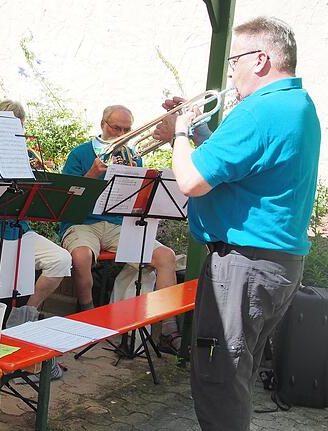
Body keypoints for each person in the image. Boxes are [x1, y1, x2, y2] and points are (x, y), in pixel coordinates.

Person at [159, 17, 320, 430]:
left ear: (261, 59)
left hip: (243, 265)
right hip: (274, 265)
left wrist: (178, 134)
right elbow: (238, 162)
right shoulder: (297, 105)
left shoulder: (260, 109)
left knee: (219, 377)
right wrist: (198, 127)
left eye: (235, 60)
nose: (230, 71)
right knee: (236, 372)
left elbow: (192, 180)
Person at [59, 104, 181, 352]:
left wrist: (140, 180)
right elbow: (66, 199)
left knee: (165, 256)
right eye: (117, 128)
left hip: (118, 225)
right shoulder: (80, 154)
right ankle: (88, 316)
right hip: (84, 223)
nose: (122, 133)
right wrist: (91, 174)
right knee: (81, 256)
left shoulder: (133, 157)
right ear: (102, 124)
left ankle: (169, 329)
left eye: (127, 129)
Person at [0, 100, 70, 380]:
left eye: (16, 126)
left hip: (17, 227)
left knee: (61, 259)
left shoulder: (22, 153)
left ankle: (22, 318)